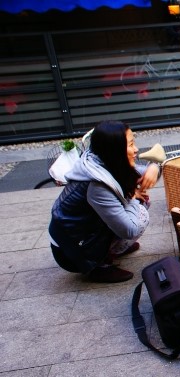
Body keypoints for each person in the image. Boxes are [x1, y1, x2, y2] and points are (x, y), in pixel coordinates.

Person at [49, 120, 160, 283]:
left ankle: (112, 249)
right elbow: (129, 230)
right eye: (130, 144)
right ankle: (98, 266)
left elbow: (146, 174)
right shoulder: (97, 184)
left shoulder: (104, 161)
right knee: (139, 213)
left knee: (135, 204)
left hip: (81, 233)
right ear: (114, 150)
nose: (136, 149)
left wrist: (154, 168)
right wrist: (133, 198)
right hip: (71, 251)